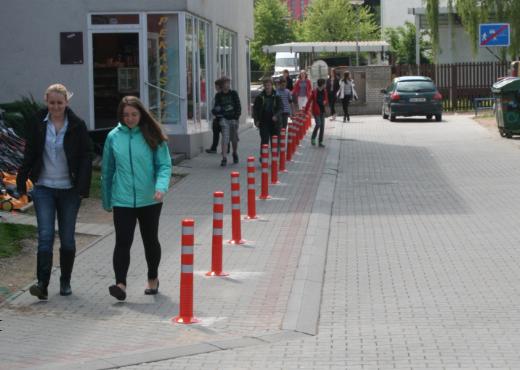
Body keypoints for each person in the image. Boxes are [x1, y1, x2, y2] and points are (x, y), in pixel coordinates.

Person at [16, 83, 93, 300]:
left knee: (67, 239)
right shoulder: (38, 123)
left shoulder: (77, 125)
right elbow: (30, 151)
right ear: (46, 102)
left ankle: (65, 280)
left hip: (69, 190)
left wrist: (82, 187)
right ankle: (42, 283)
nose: (56, 107)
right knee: (46, 236)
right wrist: (22, 179)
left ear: (66, 103)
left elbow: (86, 156)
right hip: (44, 188)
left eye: (60, 103)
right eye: (52, 103)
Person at [102, 96, 172, 301]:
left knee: (150, 240)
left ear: (141, 114)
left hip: (149, 198)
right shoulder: (113, 137)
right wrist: (107, 200)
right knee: (122, 241)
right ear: (120, 116)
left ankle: (152, 278)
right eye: (126, 115)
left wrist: (160, 187)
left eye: (134, 114)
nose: (130, 118)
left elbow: (164, 165)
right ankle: (120, 284)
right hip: (122, 200)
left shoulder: (152, 134)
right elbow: (107, 171)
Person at [212, 76, 241, 166]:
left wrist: (236, 116)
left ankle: (234, 153)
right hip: (224, 119)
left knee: (234, 139)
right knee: (225, 138)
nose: (227, 85)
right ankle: (224, 158)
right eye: (225, 83)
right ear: (222, 85)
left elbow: (238, 105)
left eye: (228, 83)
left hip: (233, 119)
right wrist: (219, 113)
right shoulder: (218, 95)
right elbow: (216, 107)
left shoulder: (233, 93)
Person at [253, 78, 283, 155]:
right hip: (263, 122)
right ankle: (263, 157)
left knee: (274, 142)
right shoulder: (260, 97)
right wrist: (256, 120)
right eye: (265, 85)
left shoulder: (277, 96)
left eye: (269, 85)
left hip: (274, 123)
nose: (267, 87)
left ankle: (274, 158)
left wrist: (276, 115)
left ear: (271, 85)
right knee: (264, 140)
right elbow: (255, 109)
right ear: (264, 86)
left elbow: (280, 108)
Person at [306, 78, 328, 147]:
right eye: (324, 83)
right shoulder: (314, 91)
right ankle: (313, 138)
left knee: (322, 126)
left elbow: (326, 99)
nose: (325, 85)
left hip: (322, 111)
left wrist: (325, 101)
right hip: (316, 111)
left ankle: (320, 142)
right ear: (322, 84)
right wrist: (306, 110)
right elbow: (309, 101)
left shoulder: (324, 91)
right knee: (318, 124)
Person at [205, 78, 223, 154]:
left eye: (216, 86)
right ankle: (214, 148)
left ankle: (224, 149)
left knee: (223, 134)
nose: (215, 87)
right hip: (217, 117)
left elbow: (218, 107)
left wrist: (213, 111)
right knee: (216, 133)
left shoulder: (221, 95)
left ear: (219, 86)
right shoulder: (217, 94)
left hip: (221, 117)